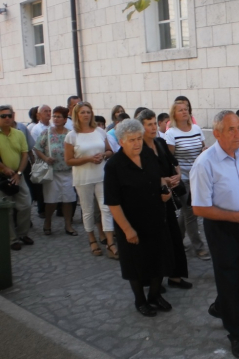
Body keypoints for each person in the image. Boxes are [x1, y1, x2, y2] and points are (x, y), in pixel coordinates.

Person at [190, 110, 239, 358]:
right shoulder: (204, 163)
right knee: (228, 278)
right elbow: (199, 207)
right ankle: (237, 334)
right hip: (222, 227)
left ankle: (222, 306)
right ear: (217, 133)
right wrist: (234, 216)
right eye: (231, 130)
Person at [104, 119, 174, 317]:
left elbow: (160, 177)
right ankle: (140, 300)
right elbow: (113, 202)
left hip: (156, 217)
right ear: (121, 141)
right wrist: (127, 229)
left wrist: (164, 191)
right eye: (131, 140)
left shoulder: (148, 155)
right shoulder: (114, 166)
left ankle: (154, 296)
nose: (136, 143)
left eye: (138, 139)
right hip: (131, 222)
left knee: (159, 259)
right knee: (135, 264)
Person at [137, 108, 191, 290]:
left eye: (154, 123)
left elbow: (173, 162)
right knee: (155, 242)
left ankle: (175, 276)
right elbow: (141, 175)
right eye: (149, 125)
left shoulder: (160, 142)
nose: (153, 128)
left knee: (174, 237)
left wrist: (176, 175)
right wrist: (163, 180)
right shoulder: (138, 148)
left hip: (167, 199)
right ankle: (153, 280)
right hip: (150, 202)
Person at [64, 101, 117, 259]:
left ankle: (110, 243)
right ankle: (92, 239)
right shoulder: (71, 135)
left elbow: (109, 150)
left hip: (101, 176)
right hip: (83, 178)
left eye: (88, 112)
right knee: (88, 210)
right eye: (82, 112)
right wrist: (87, 159)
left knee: (106, 208)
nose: (86, 115)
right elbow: (69, 160)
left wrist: (103, 155)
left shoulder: (100, 131)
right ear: (76, 115)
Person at [165, 100, 210, 260]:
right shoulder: (171, 133)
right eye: (181, 110)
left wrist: (204, 151)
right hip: (182, 179)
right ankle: (199, 247)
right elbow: (170, 159)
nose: (185, 112)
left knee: (186, 213)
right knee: (191, 212)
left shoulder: (197, 129)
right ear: (174, 114)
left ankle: (175, 240)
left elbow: (203, 149)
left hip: (197, 178)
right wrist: (173, 177)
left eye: (186, 109)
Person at [33, 107, 77, 236]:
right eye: (54, 116)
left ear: (64, 119)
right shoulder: (46, 133)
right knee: (51, 200)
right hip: (52, 172)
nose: (56, 119)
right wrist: (46, 158)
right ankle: (48, 222)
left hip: (68, 171)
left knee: (68, 199)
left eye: (59, 116)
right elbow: (37, 148)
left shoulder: (70, 134)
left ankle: (68, 225)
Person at [0, 105, 33, 250]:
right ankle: (12, 239)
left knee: (26, 204)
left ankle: (22, 234)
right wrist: (4, 168)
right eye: (3, 116)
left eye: (9, 115)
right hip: (1, 178)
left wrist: (19, 173)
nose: (7, 118)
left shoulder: (19, 133)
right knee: (7, 209)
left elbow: (25, 154)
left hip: (18, 175)